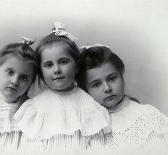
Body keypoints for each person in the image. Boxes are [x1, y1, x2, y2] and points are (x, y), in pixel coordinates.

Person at [12, 23, 111, 153]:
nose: (57, 70)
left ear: (76, 66)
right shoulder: (34, 109)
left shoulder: (90, 106)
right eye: (48, 65)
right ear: (41, 72)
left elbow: (100, 148)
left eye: (63, 62)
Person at [77, 44, 168, 155]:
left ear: (121, 74)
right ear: (85, 89)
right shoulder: (85, 126)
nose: (107, 88)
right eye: (96, 84)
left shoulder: (147, 115)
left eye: (112, 78)